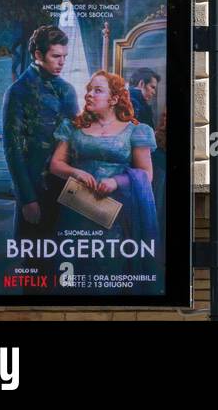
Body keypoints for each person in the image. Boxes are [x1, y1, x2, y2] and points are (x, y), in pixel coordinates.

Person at [48, 70, 160, 285]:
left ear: (114, 99)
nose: (89, 94)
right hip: (76, 209)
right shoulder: (73, 127)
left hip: (116, 213)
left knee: (111, 265)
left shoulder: (136, 131)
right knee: (72, 268)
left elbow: (146, 174)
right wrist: (76, 171)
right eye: (89, 89)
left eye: (97, 90)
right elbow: (56, 165)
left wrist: (115, 181)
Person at [3, 25, 78, 240]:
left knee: (68, 253)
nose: (62, 62)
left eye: (64, 56)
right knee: (34, 257)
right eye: (56, 56)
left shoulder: (67, 90)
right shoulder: (18, 92)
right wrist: (27, 199)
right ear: (38, 55)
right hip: (36, 187)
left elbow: (76, 138)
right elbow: (12, 149)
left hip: (67, 187)